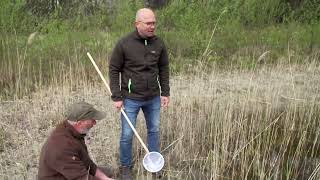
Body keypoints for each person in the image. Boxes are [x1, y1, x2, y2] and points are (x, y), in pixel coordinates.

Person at [109, 7, 170, 180]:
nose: (152, 26)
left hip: (153, 98)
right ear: (137, 24)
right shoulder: (124, 44)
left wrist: (165, 92)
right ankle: (126, 167)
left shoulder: (159, 43)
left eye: (154, 23)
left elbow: (164, 68)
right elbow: (114, 69)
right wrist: (117, 96)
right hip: (130, 99)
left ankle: (154, 164)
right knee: (127, 134)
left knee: (154, 130)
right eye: (148, 23)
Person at [38, 101, 115, 180]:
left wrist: (105, 178)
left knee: (109, 172)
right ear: (80, 123)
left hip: (71, 171)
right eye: (92, 120)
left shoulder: (74, 131)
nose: (94, 123)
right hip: (64, 176)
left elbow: (86, 162)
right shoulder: (63, 147)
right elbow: (82, 178)